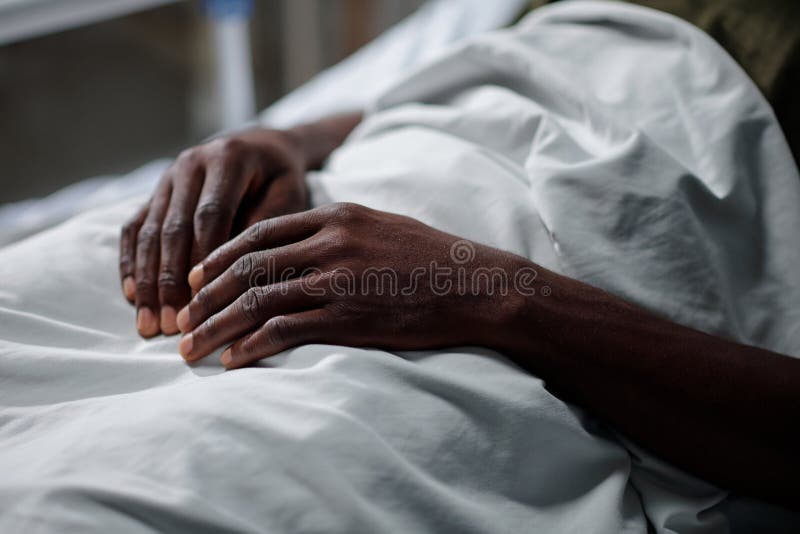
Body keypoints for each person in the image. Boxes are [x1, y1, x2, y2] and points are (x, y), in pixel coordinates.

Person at [118, 3, 800, 513]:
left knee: (175, 475)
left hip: (525, 307)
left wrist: (487, 291)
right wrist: (284, 141)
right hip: (335, 186)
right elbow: (481, 81)